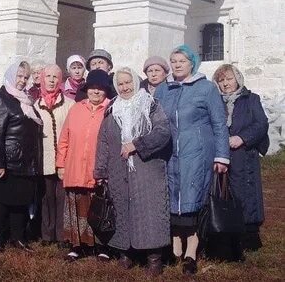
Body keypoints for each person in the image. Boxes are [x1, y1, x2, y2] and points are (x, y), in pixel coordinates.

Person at [154, 45, 230, 275]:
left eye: (182, 61)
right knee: (172, 196)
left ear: (192, 63)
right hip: (170, 154)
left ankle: (191, 252)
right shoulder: (163, 89)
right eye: (173, 61)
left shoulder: (206, 88)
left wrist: (222, 155)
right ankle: (176, 246)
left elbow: (219, 123)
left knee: (192, 196)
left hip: (196, 153)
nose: (177, 65)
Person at [95, 67, 172, 275]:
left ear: (136, 83)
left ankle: (154, 259)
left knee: (149, 213)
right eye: (120, 84)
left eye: (128, 82)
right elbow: (103, 142)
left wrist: (137, 144)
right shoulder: (112, 110)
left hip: (147, 169)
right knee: (121, 211)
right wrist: (100, 171)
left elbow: (163, 132)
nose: (124, 87)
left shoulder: (151, 105)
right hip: (118, 171)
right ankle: (125, 254)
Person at [212, 64, 269, 257]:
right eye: (221, 80)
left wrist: (241, 138)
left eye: (229, 79)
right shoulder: (214, 101)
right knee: (224, 194)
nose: (225, 83)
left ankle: (250, 237)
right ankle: (226, 235)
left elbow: (260, 124)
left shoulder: (250, 99)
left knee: (246, 193)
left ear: (237, 79)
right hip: (221, 155)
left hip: (244, 155)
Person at [56, 69, 112, 261]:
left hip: (98, 170)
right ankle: (77, 245)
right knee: (76, 206)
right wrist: (60, 165)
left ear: (106, 91)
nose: (96, 92)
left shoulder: (111, 109)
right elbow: (64, 138)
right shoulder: (76, 108)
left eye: (100, 89)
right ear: (87, 89)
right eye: (92, 88)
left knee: (98, 208)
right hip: (74, 168)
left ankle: (103, 247)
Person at [0, 61, 43, 253]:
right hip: (7, 162)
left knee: (20, 202)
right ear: (11, 76)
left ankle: (17, 238)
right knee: (1, 203)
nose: (22, 81)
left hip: (24, 162)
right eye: (19, 76)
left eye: (25, 77)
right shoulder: (1, 98)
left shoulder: (25, 100)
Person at [33, 64, 74, 247]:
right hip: (45, 160)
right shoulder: (36, 106)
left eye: (55, 77)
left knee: (62, 198)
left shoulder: (70, 104)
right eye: (47, 76)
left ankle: (62, 235)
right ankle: (47, 234)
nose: (51, 80)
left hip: (64, 160)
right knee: (46, 197)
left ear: (60, 80)